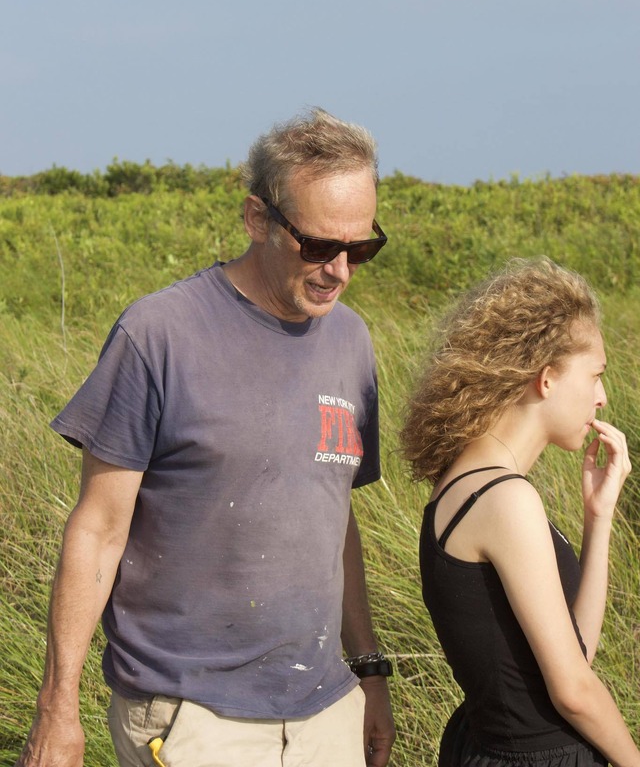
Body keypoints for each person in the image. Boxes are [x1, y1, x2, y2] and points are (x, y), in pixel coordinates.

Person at [16, 108, 396, 767]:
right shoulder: (159, 335)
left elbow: (336, 516)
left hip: (325, 712)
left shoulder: (352, 342)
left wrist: (368, 670)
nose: (339, 270)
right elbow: (98, 529)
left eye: (360, 249)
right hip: (190, 718)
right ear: (257, 218)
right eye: (317, 246)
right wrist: (58, 707)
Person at [401, 257, 639, 767]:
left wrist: (598, 518)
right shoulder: (506, 499)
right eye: (596, 375)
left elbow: (577, 654)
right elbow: (574, 692)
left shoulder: (464, 483)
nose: (601, 397)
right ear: (547, 379)